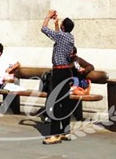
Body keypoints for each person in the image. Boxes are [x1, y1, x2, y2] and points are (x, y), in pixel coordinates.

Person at [41, 9, 76, 145]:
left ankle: (55, 134)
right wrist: (56, 23)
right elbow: (58, 35)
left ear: (63, 27)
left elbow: (44, 29)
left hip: (59, 72)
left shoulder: (61, 36)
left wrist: (48, 17)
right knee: (65, 101)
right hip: (67, 71)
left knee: (54, 102)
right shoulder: (70, 37)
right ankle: (65, 131)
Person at [70, 47, 94, 121]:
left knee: (75, 79)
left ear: (74, 53)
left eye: (71, 53)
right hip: (70, 83)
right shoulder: (64, 60)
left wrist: (84, 70)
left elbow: (91, 66)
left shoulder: (77, 60)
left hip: (77, 84)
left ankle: (76, 116)